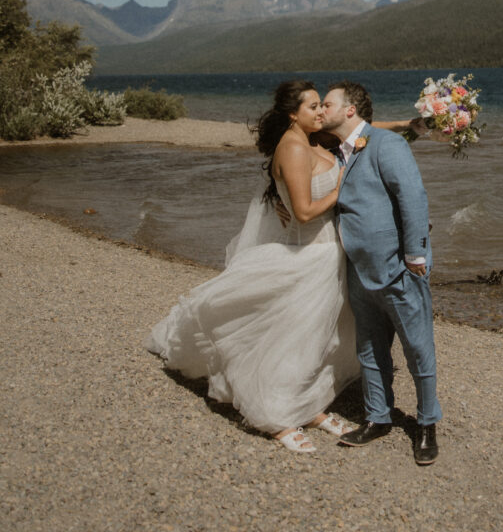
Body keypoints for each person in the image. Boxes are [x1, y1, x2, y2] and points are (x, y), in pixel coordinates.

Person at [146, 80, 359, 453]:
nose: (321, 112)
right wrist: (343, 185)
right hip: (308, 254)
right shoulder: (293, 146)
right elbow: (306, 213)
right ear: (293, 114)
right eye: (312, 107)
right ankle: (275, 415)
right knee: (292, 337)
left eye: (321, 106)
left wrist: (416, 125)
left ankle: (309, 405)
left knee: (320, 337)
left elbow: (363, 133)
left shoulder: (312, 140)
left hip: (328, 254)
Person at [322, 80, 441, 465]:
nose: (322, 110)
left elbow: (412, 197)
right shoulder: (336, 148)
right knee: (370, 349)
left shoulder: (388, 145)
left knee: (417, 348)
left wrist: (415, 256)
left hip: (397, 269)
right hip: (358, 269)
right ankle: (378, 417)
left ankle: (426, 424)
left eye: (327, 104)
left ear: (350, 110)